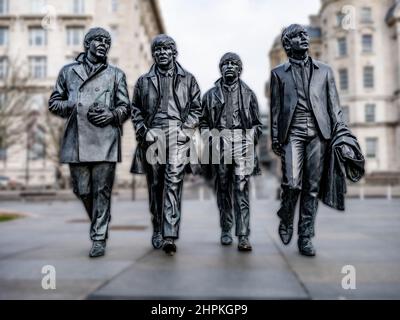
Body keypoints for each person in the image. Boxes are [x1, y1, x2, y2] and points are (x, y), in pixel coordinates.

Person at [49, 27, 130, 257]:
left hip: (106, 139)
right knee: (82, 189)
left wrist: (112, 115)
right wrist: (73, 104)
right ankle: (100, 216)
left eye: (107, 41)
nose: (104, 44)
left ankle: (98, 238)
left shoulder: (116, 74)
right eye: (99, 40)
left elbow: (126, 107)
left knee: (102, 191)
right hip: (77, 139)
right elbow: (54, 102)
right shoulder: (68, 72)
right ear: (87, 44)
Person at [270, 24, 349, 256]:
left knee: (312, 188)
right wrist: (275, 137)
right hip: (291, 132)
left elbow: (334, 106)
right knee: (292, 184)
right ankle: (286, 217)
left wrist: (341, 133)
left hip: (318, 133)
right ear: (287, 44)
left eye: (304, 35)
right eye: (297, 36)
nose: (303, 38)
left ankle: (305, 236)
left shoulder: (325, 70)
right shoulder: (278, 73)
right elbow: (275, 109)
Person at [131, 34, 202, 256]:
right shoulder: (143, 81)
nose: (162, 53)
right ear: (154, 54)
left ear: (174, 53)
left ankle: (170, 234)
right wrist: (144, 131)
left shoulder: (188, 79)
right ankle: (158, 228)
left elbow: (197, 108)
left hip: (178, 134)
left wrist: (185, 129)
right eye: (158, 50)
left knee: (173, 182)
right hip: (154, 135)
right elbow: (136, 111)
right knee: (156, 185)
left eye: (166, 49)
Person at [201, 53, 262, 251]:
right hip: (219, 144)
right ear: (220, 68)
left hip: (241, 144)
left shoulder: (249, 94)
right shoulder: (210, 95)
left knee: (241, 190)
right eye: (225, 64)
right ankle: (226, 228)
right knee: (223, 190)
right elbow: (202, 123)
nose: (229, 66)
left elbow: (257, 124)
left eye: (233, 64)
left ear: (239, 69)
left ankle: (243, 234)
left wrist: (250, 137)